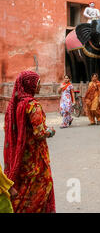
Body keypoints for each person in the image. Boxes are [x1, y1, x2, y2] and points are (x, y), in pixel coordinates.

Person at [3, 71, 56, 213]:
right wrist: (51, 131)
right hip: (35, 156)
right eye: (38, 83)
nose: (39, 86)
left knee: (23, 186)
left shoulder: (14, 105)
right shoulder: (33, 105)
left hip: (20, 156)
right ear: (30, 84)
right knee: (42, 186)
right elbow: (40, 133)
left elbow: (7, 128)